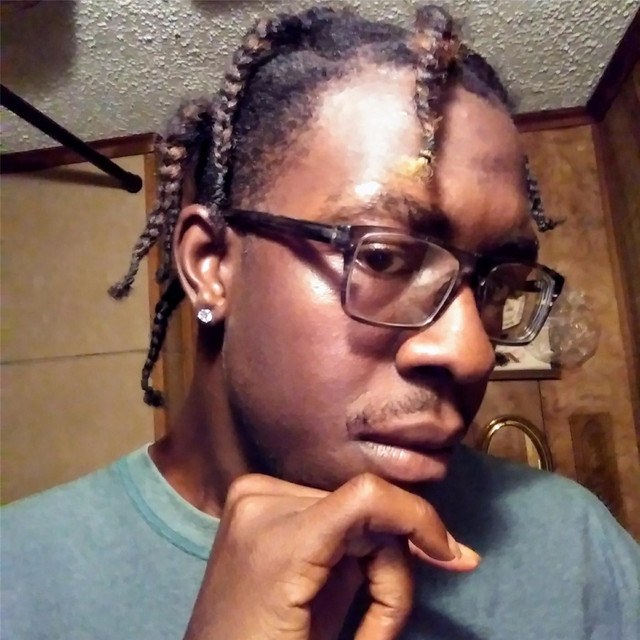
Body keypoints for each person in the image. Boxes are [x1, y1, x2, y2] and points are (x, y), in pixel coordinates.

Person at [2, 5, 639, 640]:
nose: (472, 353)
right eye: (384, 257)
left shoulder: (574, 547)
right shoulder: (19, 579)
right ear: (211, 265)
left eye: (498, 286)